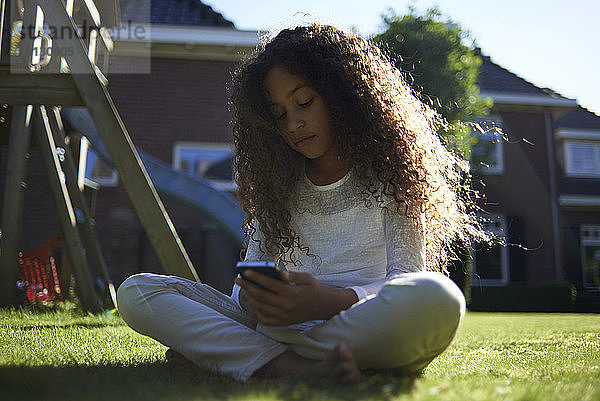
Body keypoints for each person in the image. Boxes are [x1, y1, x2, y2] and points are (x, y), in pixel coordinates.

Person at [117, 24, 486, 383]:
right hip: (278, 329)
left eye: (304, 102)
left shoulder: (395, 176)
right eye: (279, 114)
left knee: (438, 296)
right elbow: (242, 297)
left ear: (345, 95)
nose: (293, 123)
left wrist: (329, 301)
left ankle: (237, 356)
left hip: (359, 322)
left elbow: (405, 280)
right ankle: (290, 366)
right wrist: (257, 298)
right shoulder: (275, 187)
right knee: (137, 291)